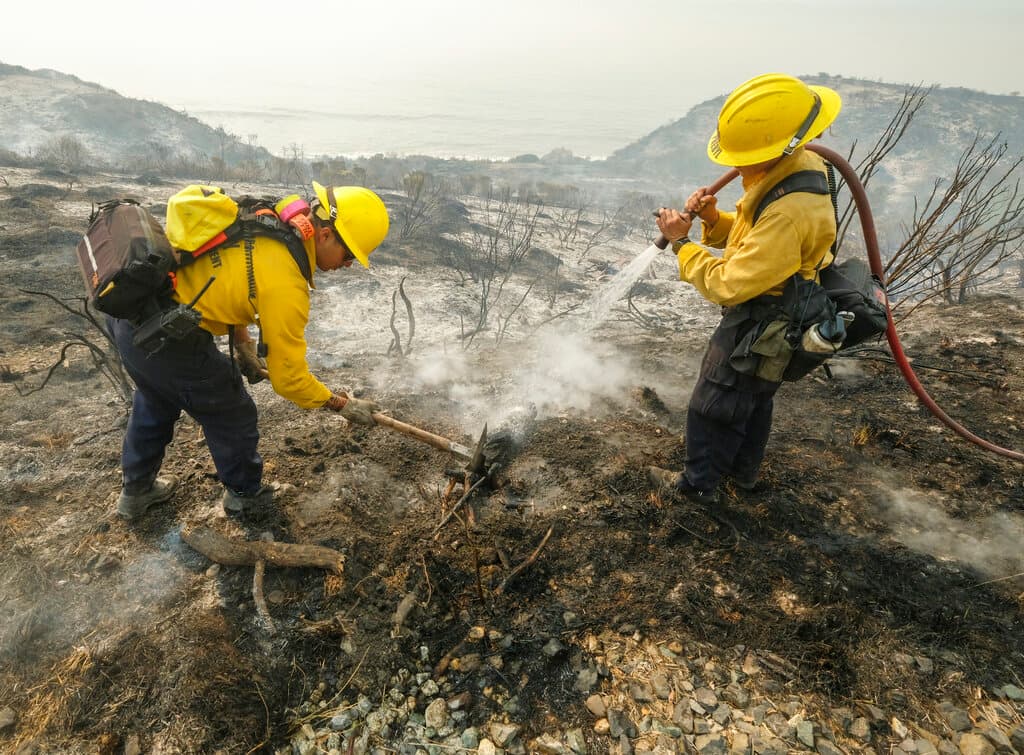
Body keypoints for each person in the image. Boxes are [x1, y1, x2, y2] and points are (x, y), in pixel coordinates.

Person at [109, 182, 390, 519]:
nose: (349, 265)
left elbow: (228, 273)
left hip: (131, 317)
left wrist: (243, 345)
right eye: (349, 255)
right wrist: (342, 404)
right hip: (163, 337)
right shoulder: (287, 284)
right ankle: (246, 496)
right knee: (232, 410)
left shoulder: (270, 219)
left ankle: (136, 492)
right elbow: (289, 380)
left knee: (156, 397)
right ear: (326, 234)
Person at [648, 73, 842, 502]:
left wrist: (682, 244)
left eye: (745, 156)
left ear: (776, 148)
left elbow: (728, 284)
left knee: (712, 404)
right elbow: (759, 243)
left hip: (762, 319)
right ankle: (742, 477)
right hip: (780, 304)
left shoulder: (790, 209)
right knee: (752, 401)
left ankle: (697, 490)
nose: (735, 167)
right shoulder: (796, 169)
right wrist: (714, 222)